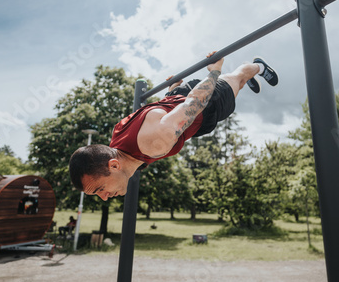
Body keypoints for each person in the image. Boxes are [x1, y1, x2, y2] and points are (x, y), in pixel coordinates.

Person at [69, 51, 278, 201]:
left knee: (238, 78)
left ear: (114, 165)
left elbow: (194, 104)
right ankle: (244, 76)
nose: (105, 198)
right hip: (181, 104)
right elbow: (152, 115)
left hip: (205, 103)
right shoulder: (118, 141)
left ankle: (257, 66)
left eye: (100, 189)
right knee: (235, 85)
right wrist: (172, 92)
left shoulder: (155, 143)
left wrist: (213, 72)